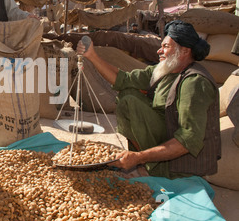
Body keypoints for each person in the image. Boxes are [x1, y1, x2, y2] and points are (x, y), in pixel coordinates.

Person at [76, 20, 221, 179]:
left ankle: (153, 167)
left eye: (166, 46)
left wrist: (140, 157)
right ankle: (145, 163)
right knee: (127, 95)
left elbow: (188, 139)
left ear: (184, 51)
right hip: (164, 135)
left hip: (183, 159)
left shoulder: (194, 83)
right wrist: (92, 56)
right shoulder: (165, 71)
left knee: (130, 101)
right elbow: (122, 79)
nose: (159, 51)